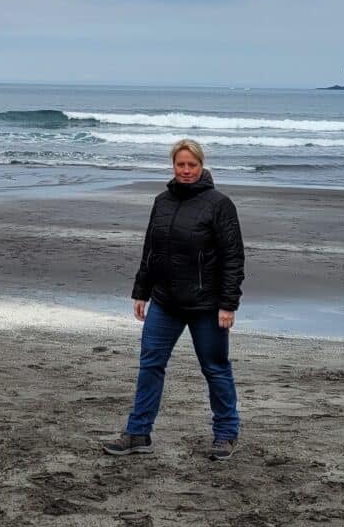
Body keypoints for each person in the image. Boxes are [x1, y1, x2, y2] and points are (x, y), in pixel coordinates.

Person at [102, 138, 245, 461]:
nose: (186, 170)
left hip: (206, 306)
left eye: (191, 165)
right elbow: (151, 250)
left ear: (201, 166)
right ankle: (138, 432)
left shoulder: (219, 205)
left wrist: (228, 304)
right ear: (173, 166)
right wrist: (141, 291)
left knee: (215, 368)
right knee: (150, 365)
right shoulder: (162, 201)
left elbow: (233, 258)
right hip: (164, 302)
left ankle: (226, 434)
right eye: (180, 165)